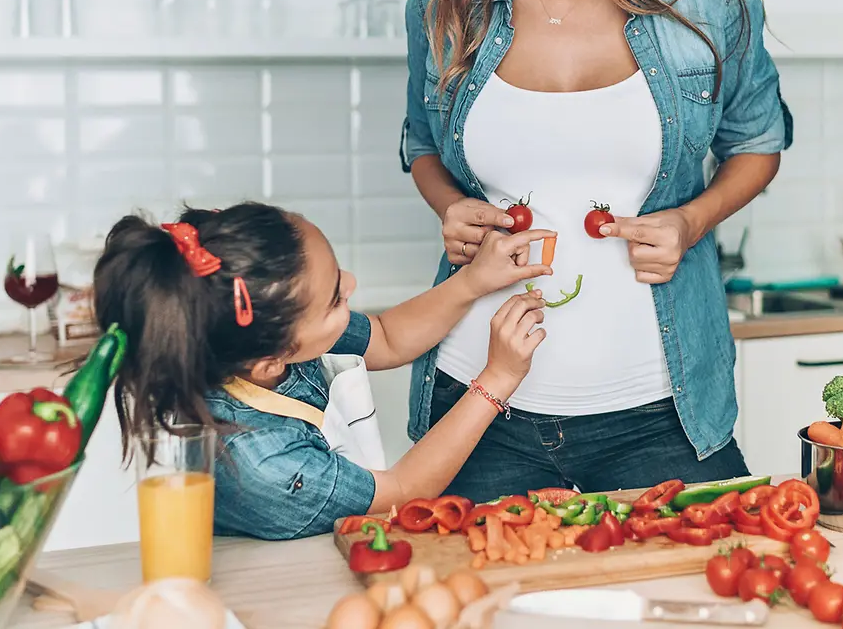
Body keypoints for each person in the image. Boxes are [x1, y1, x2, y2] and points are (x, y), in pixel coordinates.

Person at [400, 0, 793, 499]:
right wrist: (450, 206)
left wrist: (692, 221)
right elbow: (424, 146)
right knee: (465, 608)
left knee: (720, 595)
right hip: (476, 409)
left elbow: (758, 143)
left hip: (662, 418)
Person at [91, 202, 554, 540]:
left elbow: (388, 336)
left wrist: (473, 280)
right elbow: (402, 490)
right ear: (271, 360)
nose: (351, 284)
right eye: (337, 297)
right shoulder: (263, 462)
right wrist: (498, 379)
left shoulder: (265, 331)